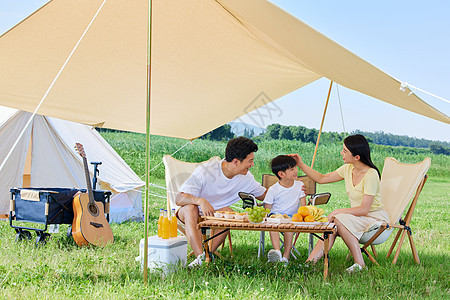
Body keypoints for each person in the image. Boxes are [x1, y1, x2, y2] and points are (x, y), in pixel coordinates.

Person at [290, 134, 389, 273]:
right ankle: (309, 264)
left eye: (345, 151)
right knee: (333, 225)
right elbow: (321, 178)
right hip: (358, 217)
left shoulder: (371, 174)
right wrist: (300, 164)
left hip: (374, 219)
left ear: (357, 157)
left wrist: (337, 211)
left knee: (337, 219)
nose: (341, 153)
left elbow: (365, 209)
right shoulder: (347, 168)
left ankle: (360, 263)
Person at [176, 136, 267, 267]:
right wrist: (200, 201)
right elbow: (179, 198)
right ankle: (200, 256)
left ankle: (207, 256)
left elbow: (265, 195)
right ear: (236, 161)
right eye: (250, 161)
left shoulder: (246, 177)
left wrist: (288, 185)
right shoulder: (206, 171)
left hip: (214, 216)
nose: (252, 164)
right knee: (191, 208)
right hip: (189, 213)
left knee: (228, 212)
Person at [264, 155, 306, 264]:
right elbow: (267, 210)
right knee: (273, 223)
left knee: (289, 226)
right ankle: (277, 251)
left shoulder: (300, 185)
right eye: (292, 169)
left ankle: (286, 257)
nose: (296, 171)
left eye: (295, 167)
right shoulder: (273, 189)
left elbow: (303, 207)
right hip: (275, 216)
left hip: (292, 217)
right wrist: (265, 219)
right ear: (281, 174)